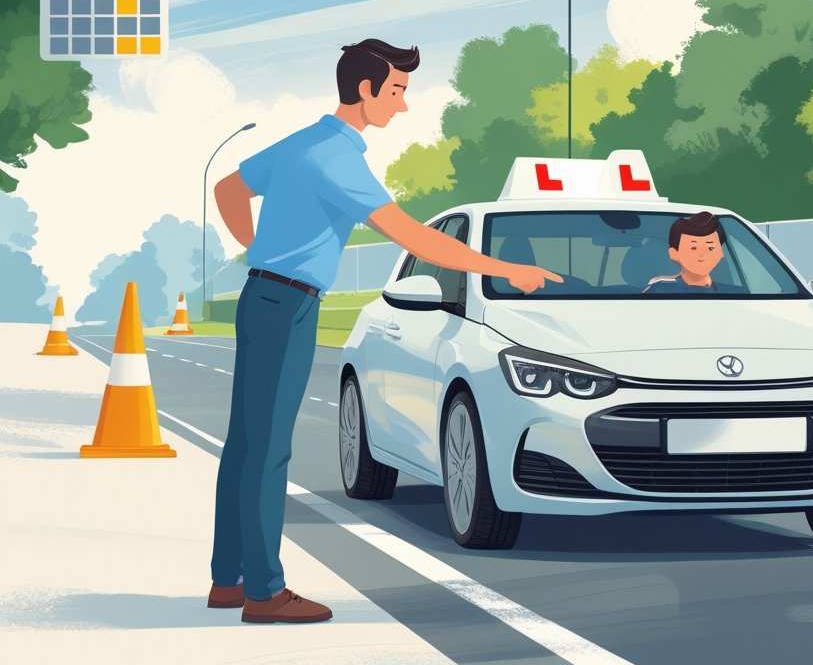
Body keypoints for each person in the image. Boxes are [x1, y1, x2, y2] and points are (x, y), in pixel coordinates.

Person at [207, 38, 562, 623]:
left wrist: (261, 252)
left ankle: (229, 580)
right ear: (365, 89)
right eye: (396, 90)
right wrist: (505, 269)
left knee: (246, 443)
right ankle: (264, 593)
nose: (401, 103)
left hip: (262, 296)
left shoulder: (303, 142)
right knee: (268, 449)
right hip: (288, 304)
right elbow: (416, 238)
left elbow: (227, 189)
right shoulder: (339, 159)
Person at [643, 211, 726, 293]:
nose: (702, 254)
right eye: (693, 248)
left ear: (721, 251)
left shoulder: (731, 292)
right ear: (673, 253)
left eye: (710, 248)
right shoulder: (659, 289)